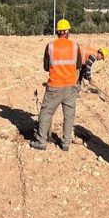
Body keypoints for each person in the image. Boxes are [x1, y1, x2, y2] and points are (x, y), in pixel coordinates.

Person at [32, 19, 86, 152]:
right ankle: (66, 143)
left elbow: (46, 67)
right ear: (68, 32)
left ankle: (41, 141)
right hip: (71, 86)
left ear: (57, 32)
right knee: (69, 115)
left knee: (46, 113)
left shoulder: (50, 46)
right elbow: (79, 65)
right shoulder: (75, 46)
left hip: (55, 86)